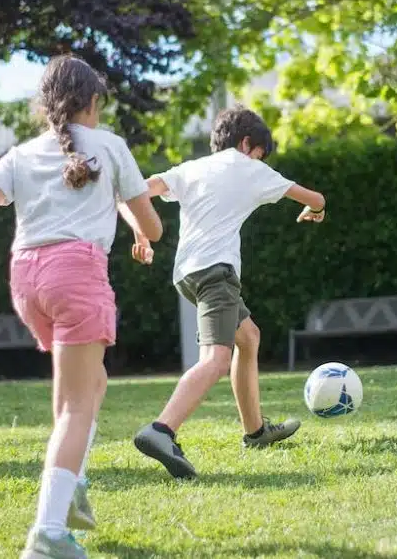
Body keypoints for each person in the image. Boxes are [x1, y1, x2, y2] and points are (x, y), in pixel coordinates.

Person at [0, 55, 162, 559]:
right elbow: (154, 226)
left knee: (85, 385)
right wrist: (142, 231)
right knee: (79, 403)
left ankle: (69, 481)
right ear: (92, 102)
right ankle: (48, 532)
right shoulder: (111, 146)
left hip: (26, 277)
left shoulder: (23, 153)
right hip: (76, 273)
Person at [130, 106, 326, 479]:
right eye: (259, 154)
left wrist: (141, 233)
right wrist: (313, 212)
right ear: (248, 143)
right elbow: (315, 198)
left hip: (186, 273)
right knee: (216, 360)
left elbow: (144, 191)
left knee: (248, 337)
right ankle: (161, 430)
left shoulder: (192, 167)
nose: (259, 161)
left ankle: (255, 433)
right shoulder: (250, 167)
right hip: (216, 272)